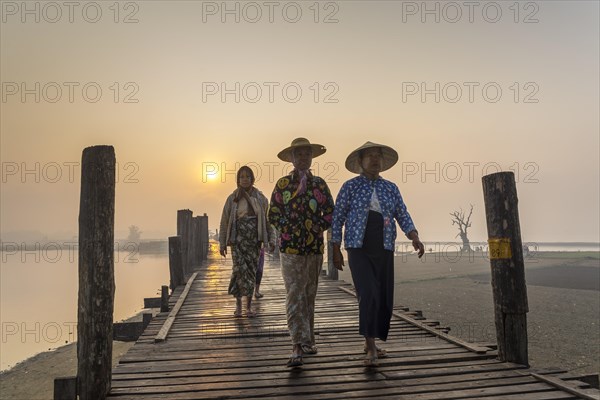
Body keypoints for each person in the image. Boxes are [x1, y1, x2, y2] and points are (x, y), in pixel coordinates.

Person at [331, 141, 425, 367]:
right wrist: (335, 249)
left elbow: (402, 212)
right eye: (370, 156)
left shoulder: (391, 188)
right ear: (361, 162)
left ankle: (370, 341)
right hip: (358, 245)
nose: (374, 160)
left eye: (378, 156)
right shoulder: (350, 186)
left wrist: (414, 236)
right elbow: (337, 218)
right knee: (369, 292)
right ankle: (370, 346)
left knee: (383, 297)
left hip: (383, 245)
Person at [268, 137, 335, 367]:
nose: (303, 158)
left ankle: (308, 341)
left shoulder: (320, 185)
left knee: (309, 295)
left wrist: (317, 226)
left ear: (311, 157)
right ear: (292, 159)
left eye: (307, 154)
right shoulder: (283, 185)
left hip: (314, 248)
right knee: (294, 294)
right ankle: (296, 344)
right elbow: (273, 214)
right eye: (299, 154)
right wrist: (288, 228)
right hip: (290, 248)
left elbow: (329, 212)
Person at [219, 166, 274, 318]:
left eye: (247, 177)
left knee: (251, 271)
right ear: (238, 180)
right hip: (237, 240)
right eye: (242, 177)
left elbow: (268, 220)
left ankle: (248, 307)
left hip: (254, 240)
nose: (244, 179)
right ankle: (238, 305)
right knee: (238, 270)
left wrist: (272, 239)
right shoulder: (232, 198)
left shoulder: (261, 198)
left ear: (252, 179)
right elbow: (224, 221)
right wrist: (222, 243)